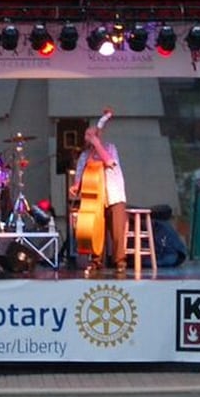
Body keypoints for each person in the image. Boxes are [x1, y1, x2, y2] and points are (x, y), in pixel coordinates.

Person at [68, 107, 127, 275]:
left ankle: (120, 262)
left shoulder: (109, 148)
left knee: (117, 232)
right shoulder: (84, 156)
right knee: (94, 229)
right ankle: (96, 261)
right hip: (95, 201)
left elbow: (109, 162)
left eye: (93, 134)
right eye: (88, 135)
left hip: (114, 196)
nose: (90, 138)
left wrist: (97, 144)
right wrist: (75, 186)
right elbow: (80, 176)